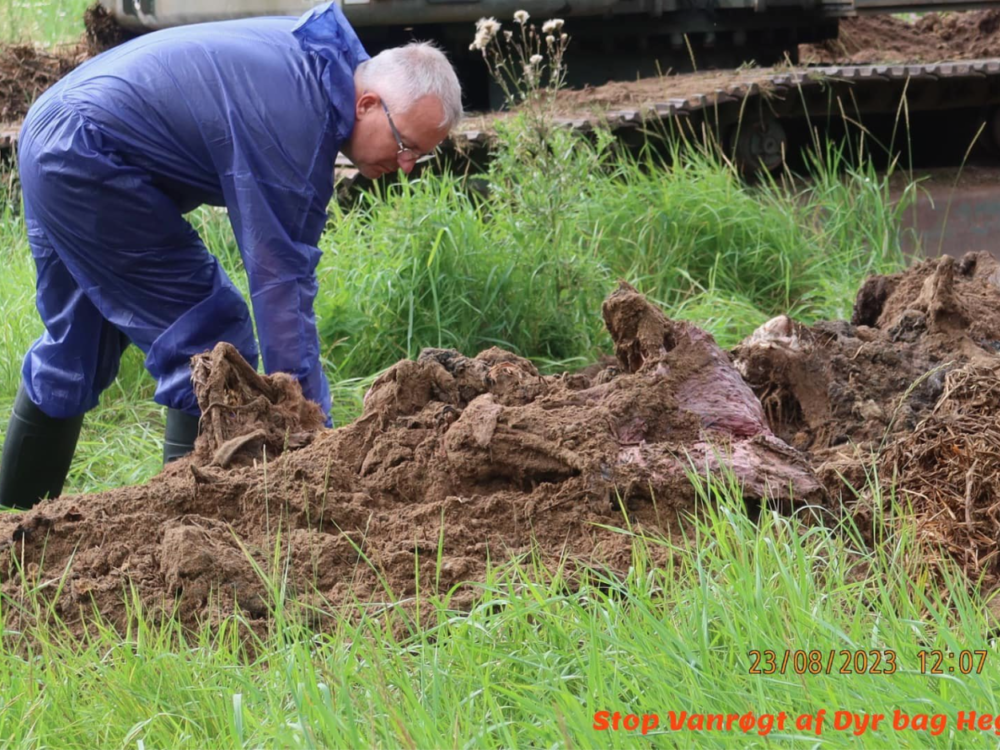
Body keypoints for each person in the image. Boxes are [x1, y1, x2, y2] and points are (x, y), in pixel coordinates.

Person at [0, 2, 462, 509]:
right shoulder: (298, 121)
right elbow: (281, 287)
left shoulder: (319, 66)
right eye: (405, 145)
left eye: (421, 155)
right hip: (86, 154)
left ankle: (12, 534)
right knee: (210, 339)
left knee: (76, 347)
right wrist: (315, 434)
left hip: (54, 132)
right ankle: (185, 536)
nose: (407, 166)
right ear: (368, 104)